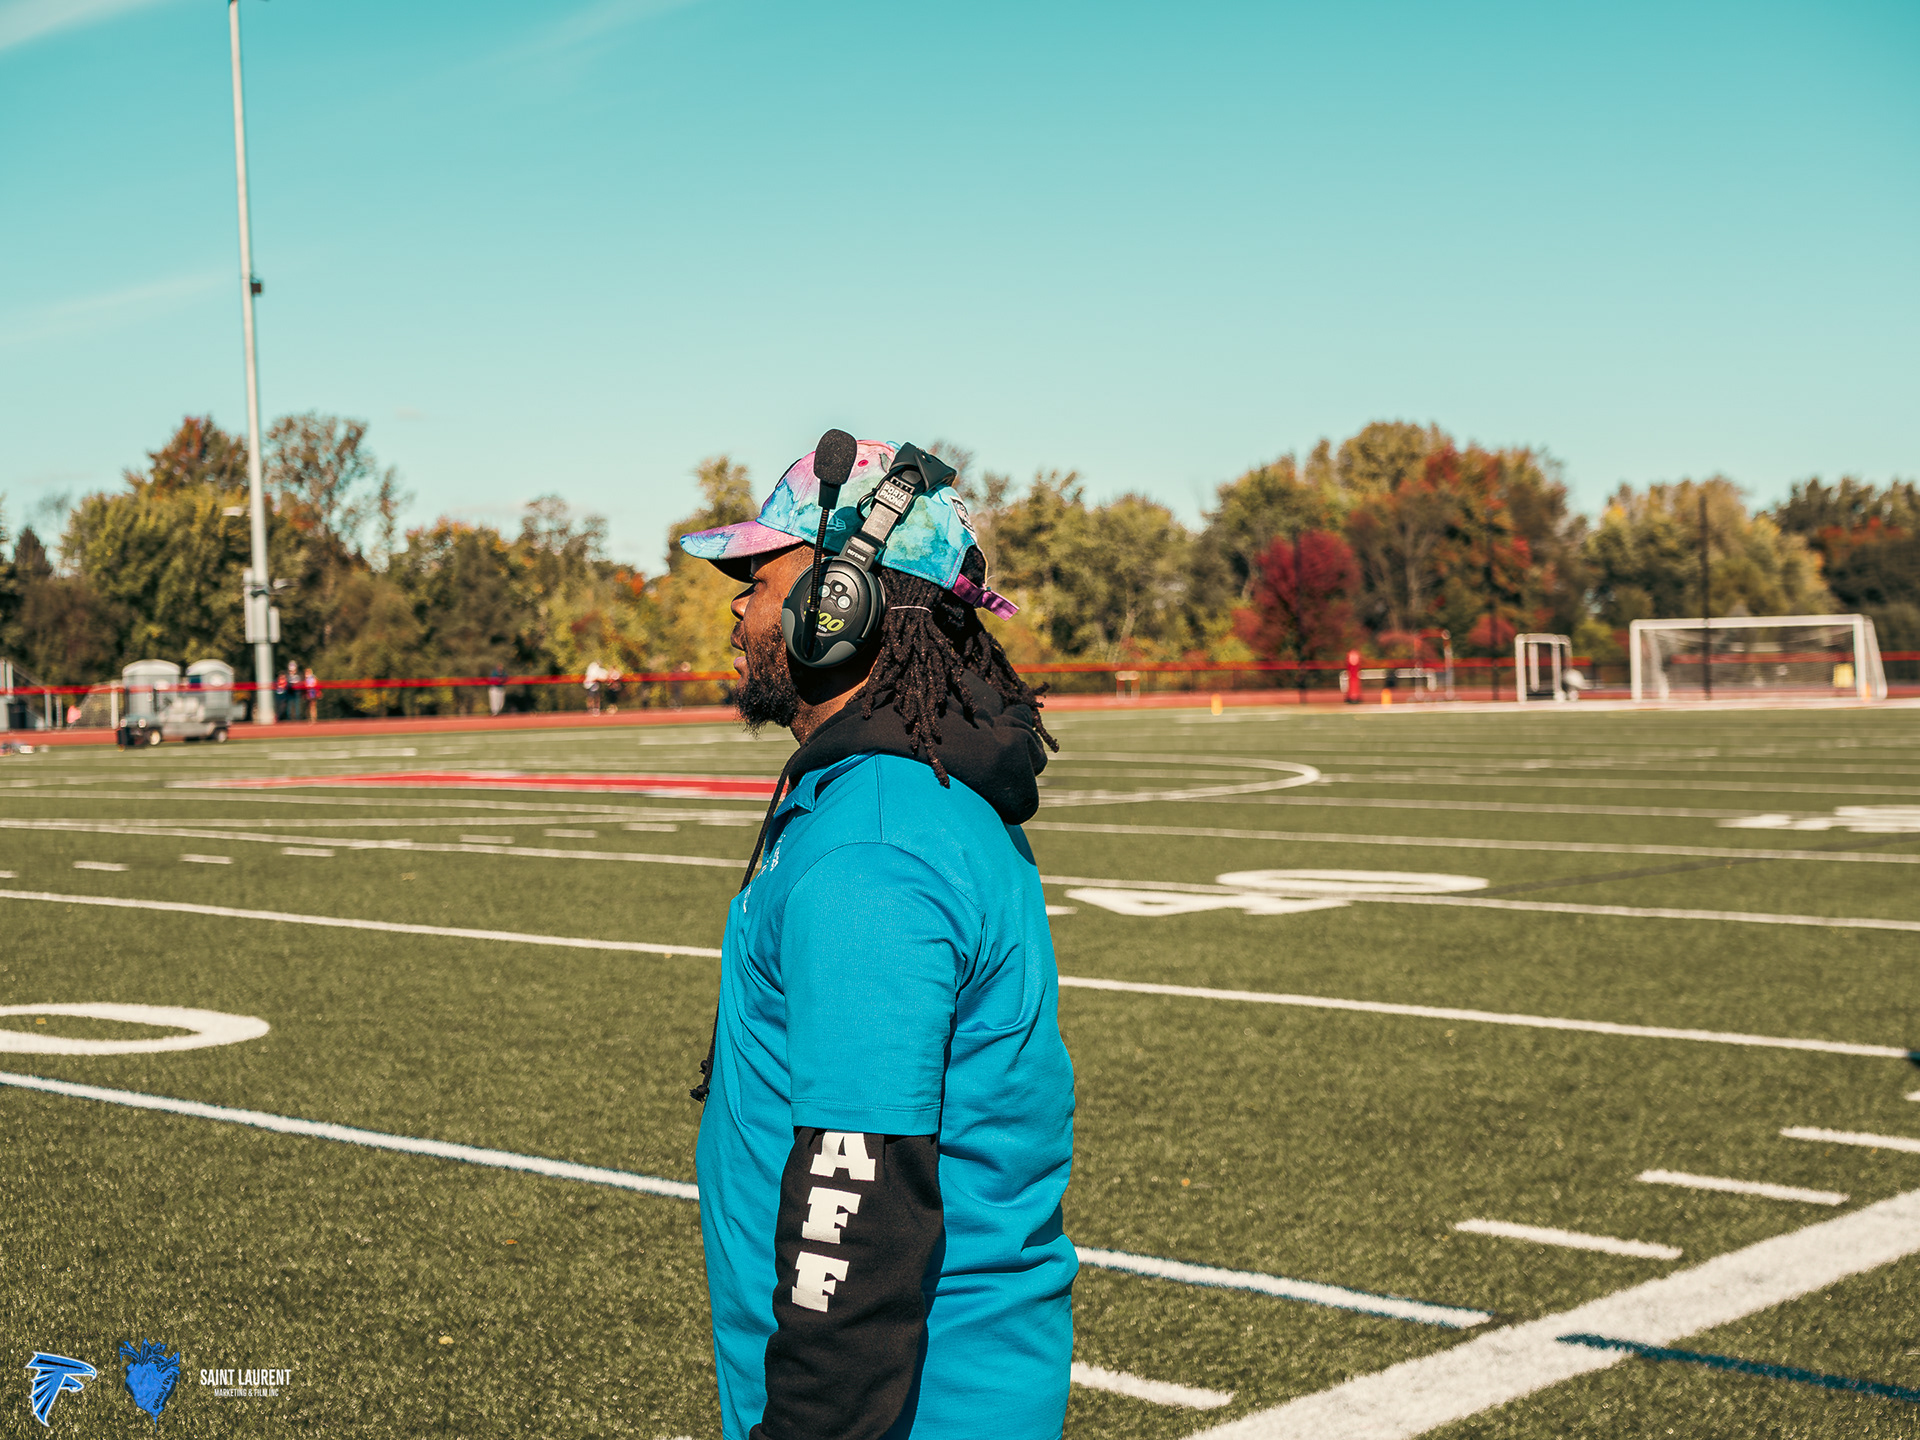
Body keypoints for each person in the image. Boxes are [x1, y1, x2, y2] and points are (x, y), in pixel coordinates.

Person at [678, 434, 1075, 1440]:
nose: (737, 611)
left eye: (759, 582)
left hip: (901, 1413)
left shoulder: (874, 852)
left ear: (837, 602)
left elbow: (860, 1201)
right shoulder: (907, 798)